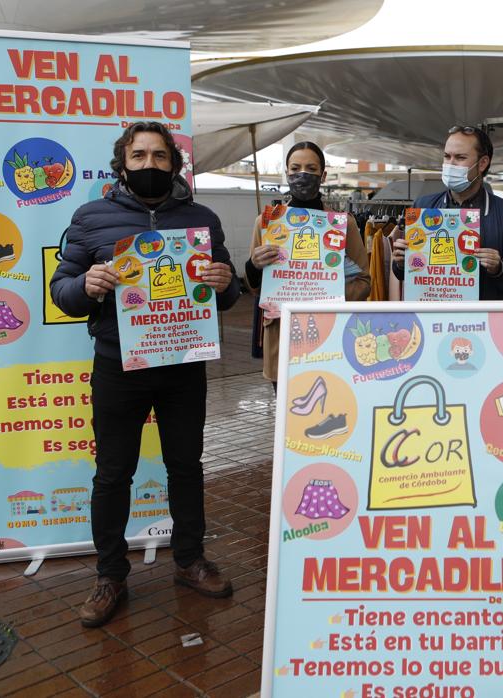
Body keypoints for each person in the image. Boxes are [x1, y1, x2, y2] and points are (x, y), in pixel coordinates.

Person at [50, 121, 241, 628]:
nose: (150, 165)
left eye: (160, 156)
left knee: (187, 466)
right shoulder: (91, 218)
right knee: (114, 473)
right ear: (123, 163)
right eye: (139, 156)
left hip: (182, 363)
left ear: (175, 166)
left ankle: (188, 561)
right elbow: (61, 291)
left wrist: (225, 282)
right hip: (118, 364)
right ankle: (110, 574)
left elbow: (226, 292)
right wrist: (86, 283)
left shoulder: (202, 218)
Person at [247, 142, 371, 386]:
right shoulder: (267, 222)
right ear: (287, 173)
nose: (302, 174)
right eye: (295, 168)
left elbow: (364, 282)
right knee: (286, 416)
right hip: (282, 333)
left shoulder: (343, 224)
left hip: (329, 335)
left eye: (311, 168)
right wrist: (254, 265)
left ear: (322, 175)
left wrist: (325, 295)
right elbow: (255, 287)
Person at [391, 126, 503, 300]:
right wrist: (401, 263)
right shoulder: (423, 207)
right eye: (447, 156)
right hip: (434, 320)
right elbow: (406, 274)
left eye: (460, 157)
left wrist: (500, 268)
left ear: (482, 163)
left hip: (485, 322)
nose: (450, 164)